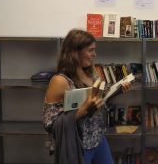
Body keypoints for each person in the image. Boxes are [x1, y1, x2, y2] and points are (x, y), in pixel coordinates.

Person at [42, 29, 131, 164]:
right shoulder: (60, 81)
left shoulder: (91, 73)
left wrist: (117, 90)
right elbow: (49, 123)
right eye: (90, 50)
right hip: (79, 145)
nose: (94, 54)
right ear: (74, 52)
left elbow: (100, 100)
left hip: (98, 138)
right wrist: (82, 111)